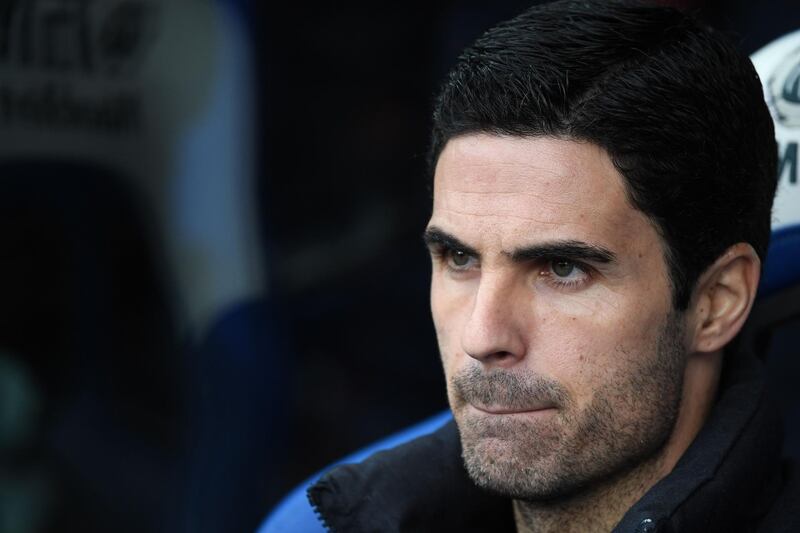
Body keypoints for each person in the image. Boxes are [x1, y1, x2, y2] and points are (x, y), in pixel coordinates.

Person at [306, 1, 800, 531]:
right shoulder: (314, 521)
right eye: (460, 258)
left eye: (562, 268)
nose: (482, 335)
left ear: (716, 303)